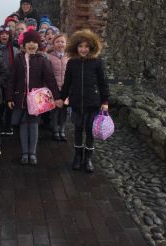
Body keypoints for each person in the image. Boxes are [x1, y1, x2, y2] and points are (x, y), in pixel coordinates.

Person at [6, 29, 62, 165]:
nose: (31, 45)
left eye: (34, 42)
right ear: (24, 45)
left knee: (34, 125)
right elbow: (12, 80)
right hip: (21, 98)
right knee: (23, 125)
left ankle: (33, 153)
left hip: (37, 100)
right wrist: (9, 98)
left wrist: (57, 97)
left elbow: (50, 79)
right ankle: (24, 153)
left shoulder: (42, 60)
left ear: (38, 44)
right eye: (28, 42)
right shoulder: (18, 60)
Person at [60, 29, 109, 173]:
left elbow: (103, 83)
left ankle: (88, 159)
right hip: (76, 102)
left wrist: (105, 101)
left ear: (91, 47)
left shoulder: (97, 62)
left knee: (89, 131)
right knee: (77, 130)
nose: (83, 49)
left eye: (86, 46)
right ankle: (77, 157)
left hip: (92, 102)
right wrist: (61, 98)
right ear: (76, 47)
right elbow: (67, 83)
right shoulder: (72, 63)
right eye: (81, 46)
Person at [0, 26, 18, 135]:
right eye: (2, 34)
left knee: (9, 104)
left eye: (6, 34)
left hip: (10, 81)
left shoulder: (14, 50)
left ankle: (8, 125)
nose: (4, 36)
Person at [48, 34, 68, 141]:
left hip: (66, 88)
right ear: (54, 44)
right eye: (57, 41)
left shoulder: (69, 57)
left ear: (66, 44)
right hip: (54, 88)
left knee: (64, 111)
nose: (60, 43)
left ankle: (62, 130)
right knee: (55, 110)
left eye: (62, 41)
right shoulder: (49, 57)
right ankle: (55, 130)